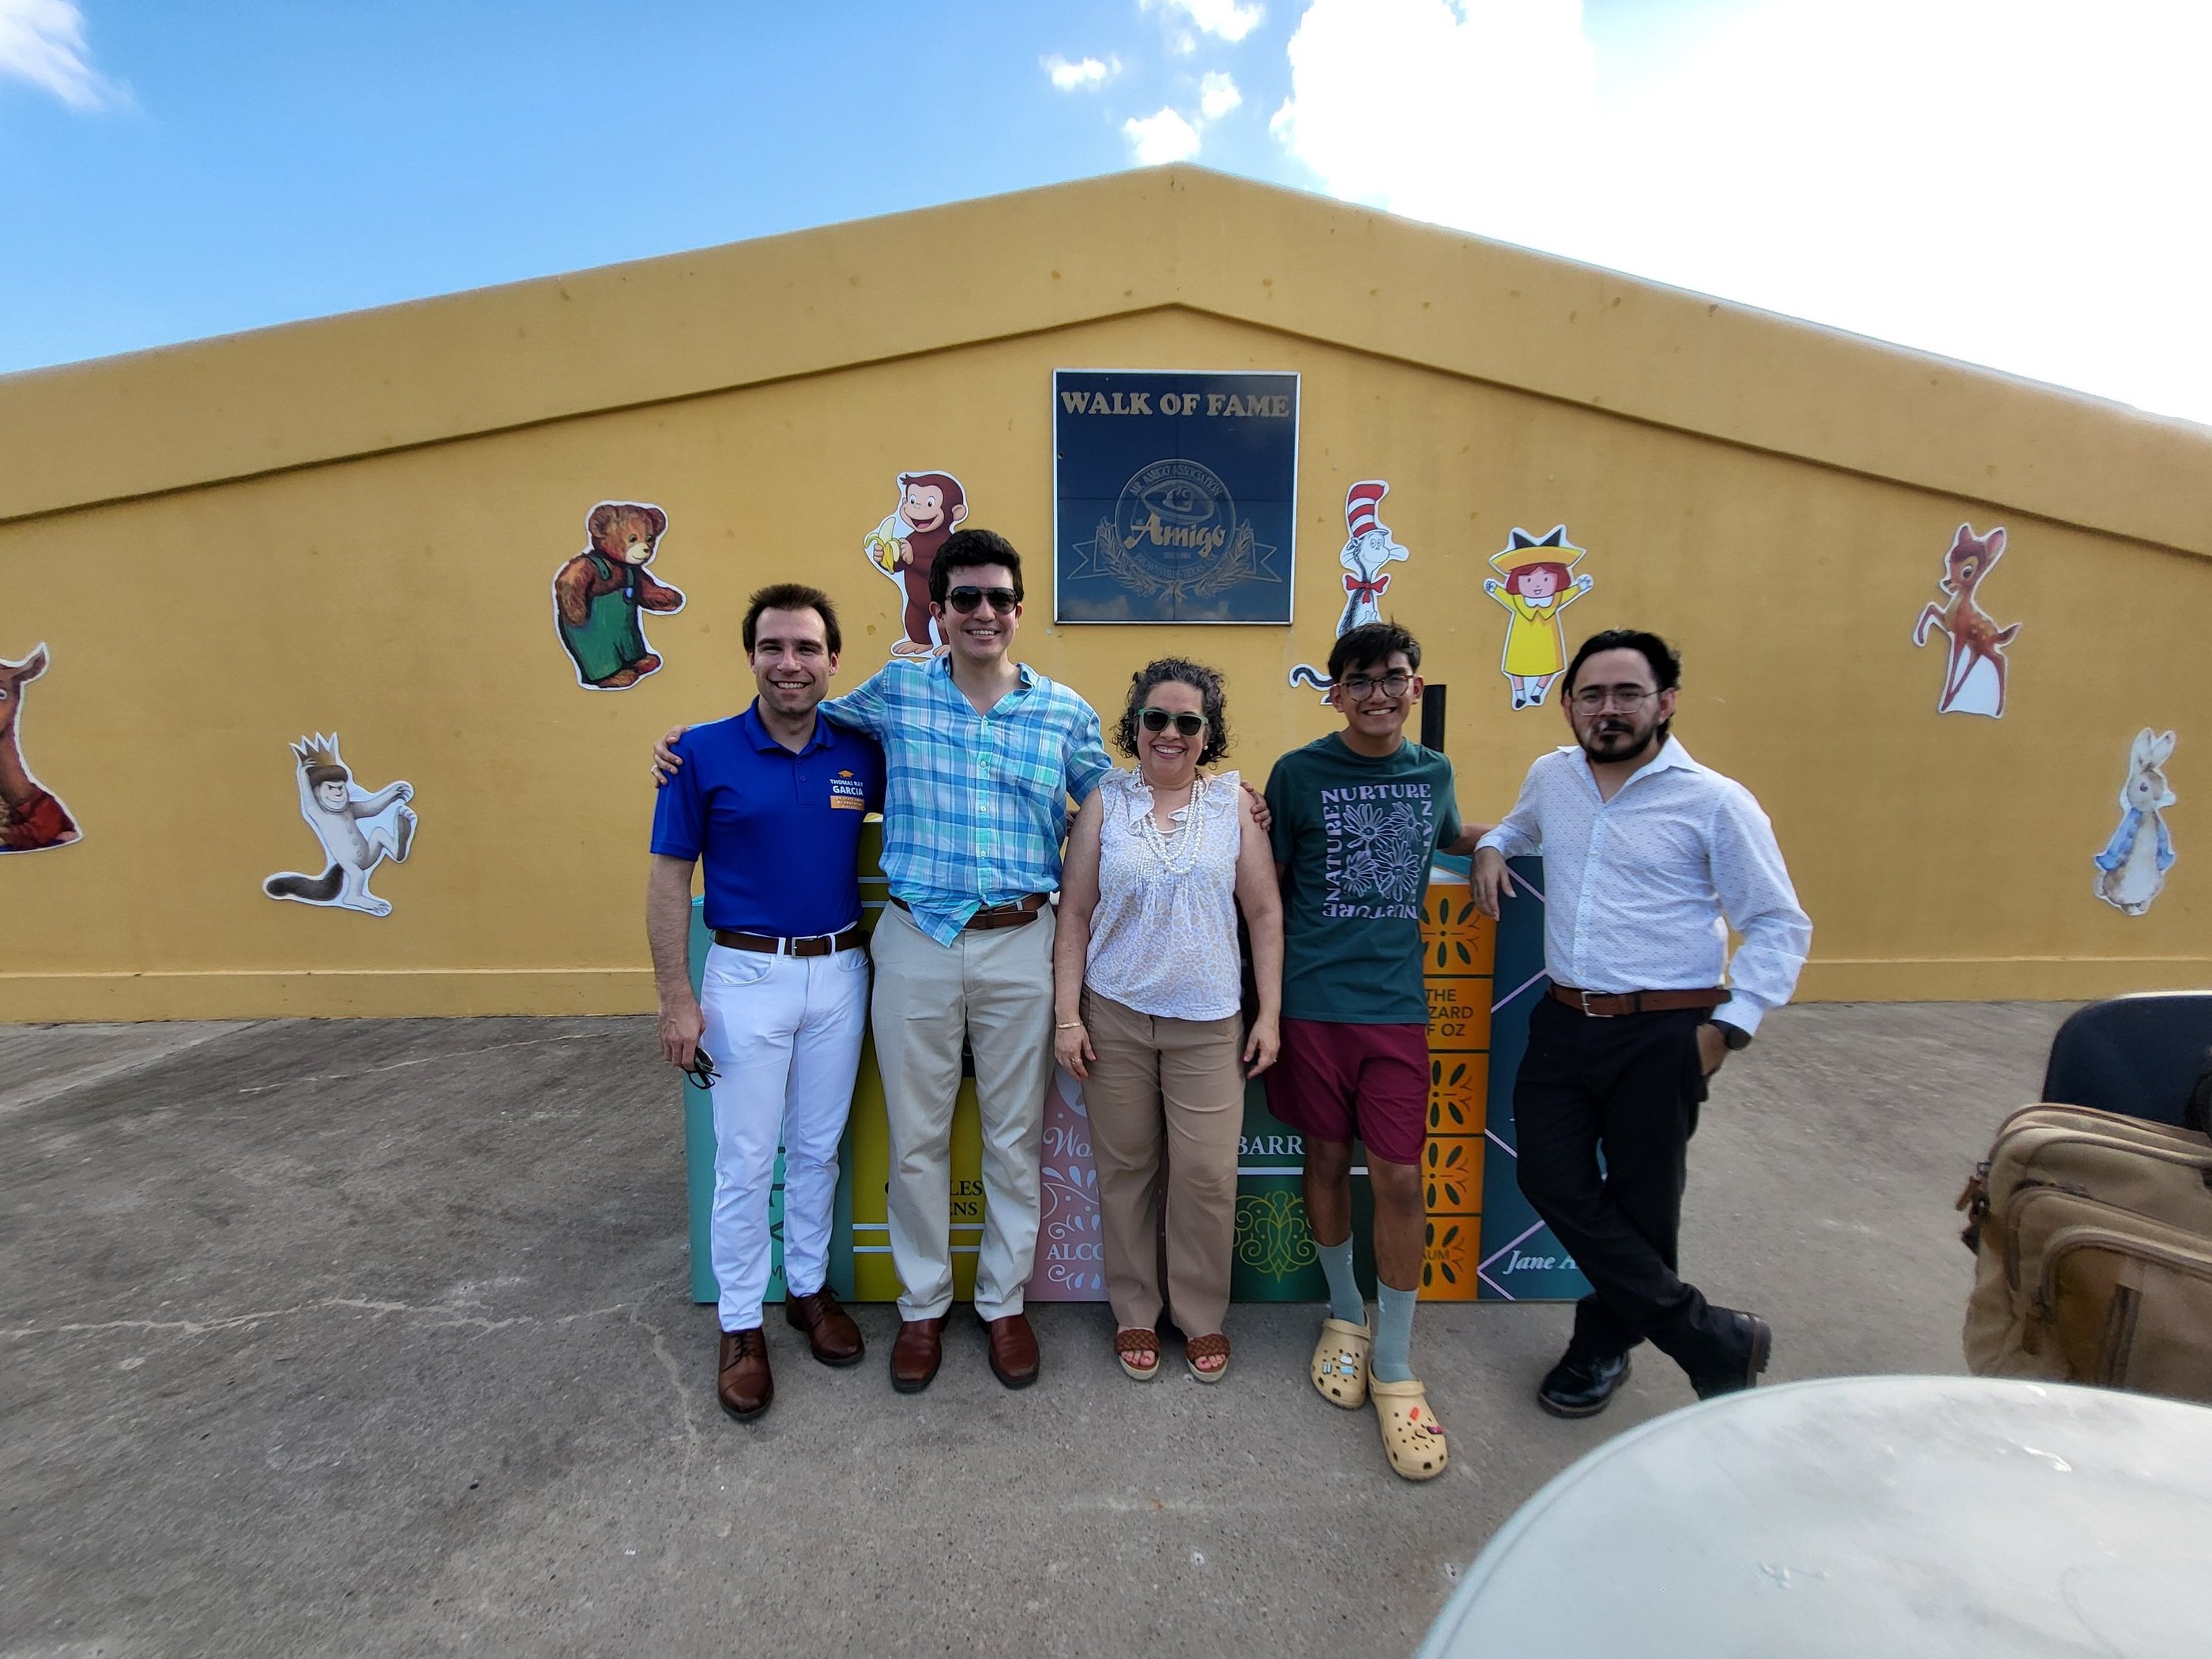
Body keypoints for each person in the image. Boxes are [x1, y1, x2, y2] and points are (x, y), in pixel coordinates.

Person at [654, 529, 1111, 1394]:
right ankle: (921, 1308)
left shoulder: (1064, 711)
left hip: (1022, 941)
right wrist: (687, 744)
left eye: (999, 598)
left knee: (1015, 1138)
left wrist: (1219, 793)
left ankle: (1003, 1303)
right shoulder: (896, 693)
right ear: (937, 612)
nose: (983, 612)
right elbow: (796, 714)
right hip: (914, 942)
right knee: (917, 1141)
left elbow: (1112, 798)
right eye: (965, 597)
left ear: (1018, 610)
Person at [1473, 628, 1811, 1417]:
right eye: (1591, 695)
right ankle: (1710, 1338)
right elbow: (1520, 828)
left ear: (1665, 702)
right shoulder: (1552, 778)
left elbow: (1777, 923)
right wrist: (1492, 844)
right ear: (1567, 706)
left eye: (1627, 693)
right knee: (1546, 1176)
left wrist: (1727, 1029)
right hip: (1561, 1021)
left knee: (1641, 1204)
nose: (1608, 710)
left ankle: (1600, 1350)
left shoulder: (1714, 801)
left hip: (1664, 1031)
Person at [646, 582, 884, 1423]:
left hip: (840, 972)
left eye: (807, 649)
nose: (791, 664)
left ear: (832, 662)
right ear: (751, 656)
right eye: (774, 648)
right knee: (746, 1160)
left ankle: (808, 1292)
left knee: (817, 1149)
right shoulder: (701, 754)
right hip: (744, 977)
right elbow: (671, 880)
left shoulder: (861, 750)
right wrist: (677, 998)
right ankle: (740, 1323)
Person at [1263, 620, 1488, 1481]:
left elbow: (1452, 835)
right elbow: (1268, 885)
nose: (1378, 694)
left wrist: (1498, 842)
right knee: (1323, 1160)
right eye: (1358, 680)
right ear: (1336, 692)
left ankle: (1394, 1362)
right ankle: (1345, 1315)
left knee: (1397, 1176)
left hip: (1396, 1011)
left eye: (1393, 677)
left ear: (1415, 684)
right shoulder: (1298, 774)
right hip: (1313, 1007)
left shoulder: (1433, 773)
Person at [1053, 660, 1284, 1386]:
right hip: (1114, 1015)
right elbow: (1076, 916)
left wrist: (1269, 1013)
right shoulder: (1104, 802)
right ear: (1136, 726)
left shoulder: (1234, 807)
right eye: (1157, 718)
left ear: (1206, 734)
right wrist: (1067, 1016)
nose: (1171, 733)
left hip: (1210, 1022)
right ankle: (1133, 1311)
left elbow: (1265, 914)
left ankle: (1201, 1315)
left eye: (1188, 722)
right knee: (1125, 1173)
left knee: (1208, 1177)